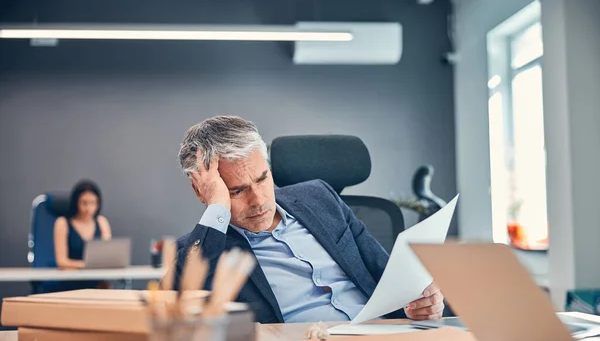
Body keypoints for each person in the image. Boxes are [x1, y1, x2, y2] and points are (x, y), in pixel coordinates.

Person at [174, 116, 444, 324]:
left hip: (383, 339)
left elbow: (388, 276)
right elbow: (194, 322)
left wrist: (422, 301)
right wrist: (218, 207)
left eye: (262, 179)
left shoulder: (320, 197)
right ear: (204, 191)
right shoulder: (199, 249)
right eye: (237, 190)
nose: (258, 200)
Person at [48, 180, 112, 291]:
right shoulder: (62, 223)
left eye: (93, 203)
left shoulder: (102, 222)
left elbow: (106, 257)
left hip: (97, 282)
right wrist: (86, 265)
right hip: (70, 284)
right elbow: (62, 262)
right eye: (84, 203)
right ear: (76, 203)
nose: (88, 208)